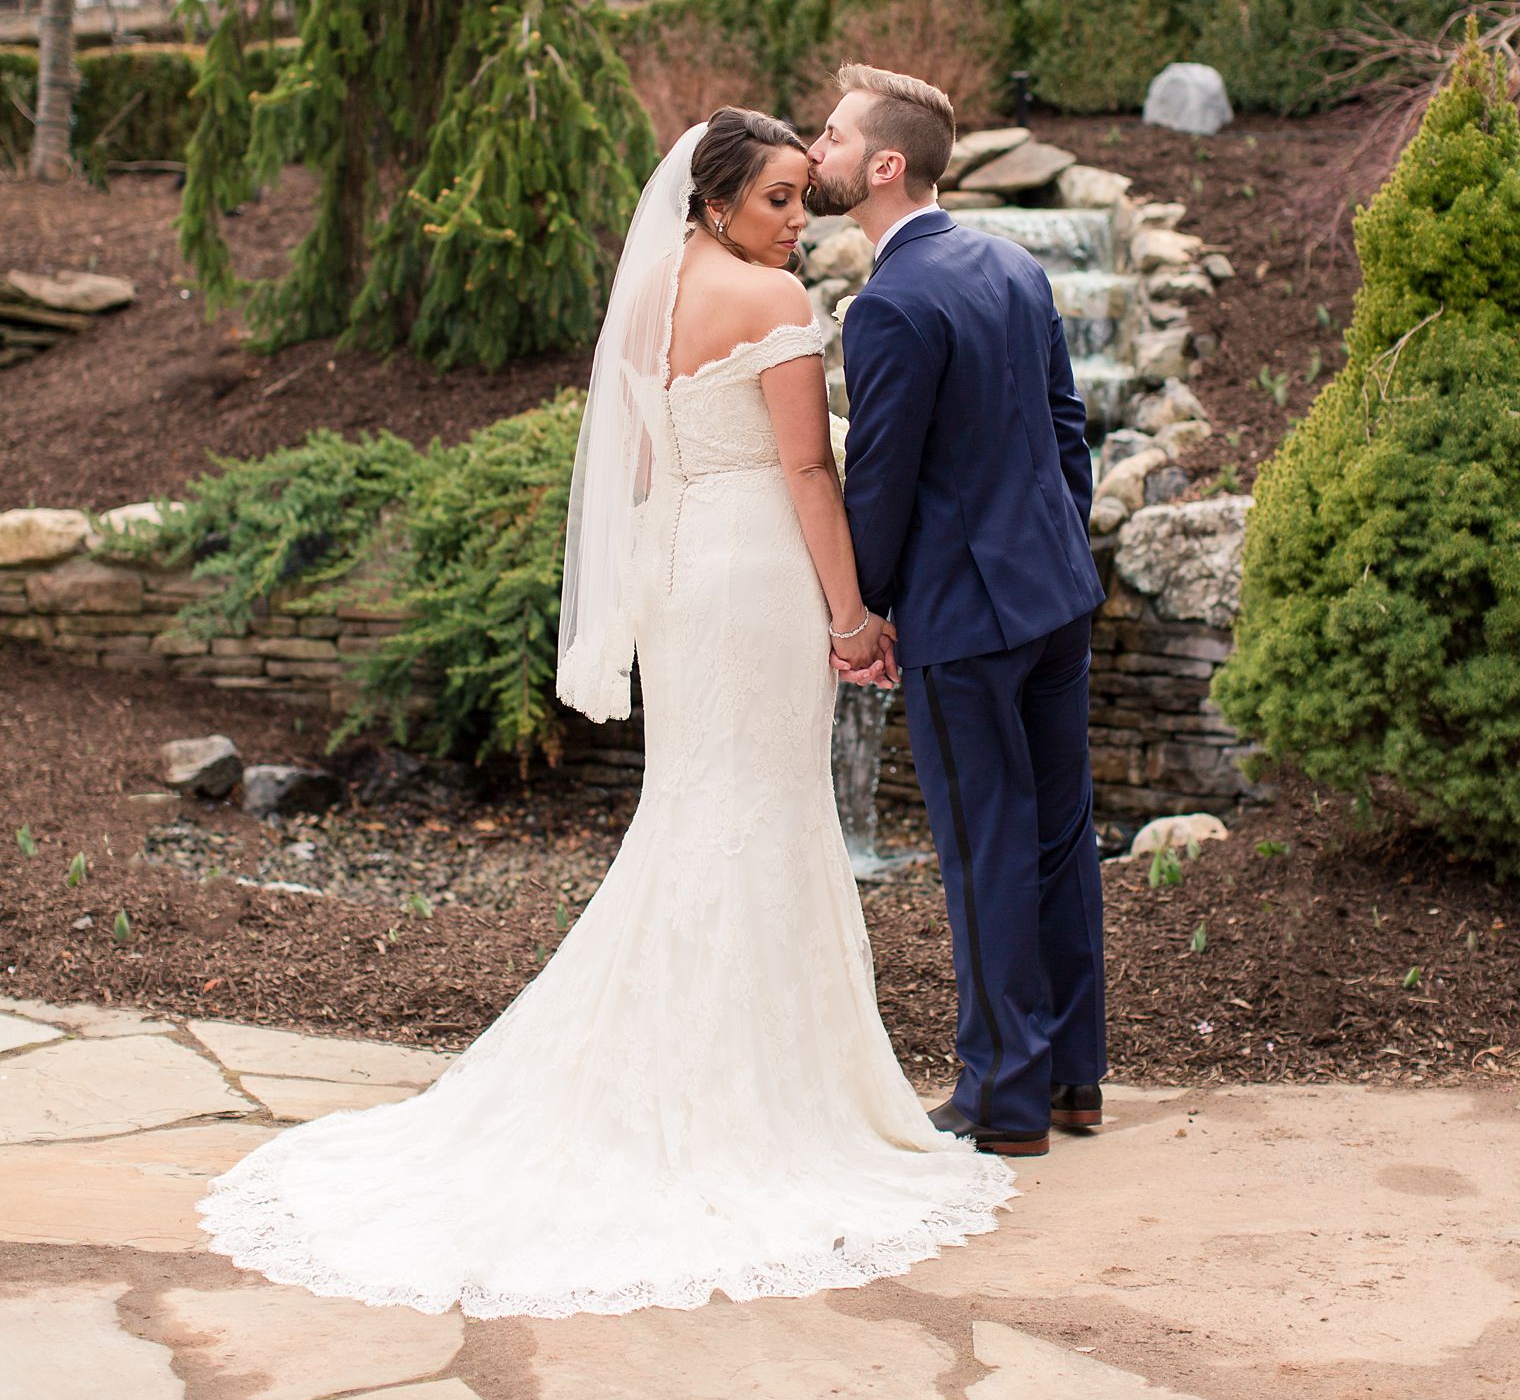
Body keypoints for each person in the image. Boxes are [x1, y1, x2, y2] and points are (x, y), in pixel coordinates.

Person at [196, 107, 1013, 1319]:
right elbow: (802, 471)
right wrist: (851, 620)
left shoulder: (654, 294)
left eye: (804, 198)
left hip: (679, 576)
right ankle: (753, 1104)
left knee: (696, 809)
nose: (798, 223)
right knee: (759, 812)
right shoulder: (776, 308)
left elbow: (644, 463)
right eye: (777, 201)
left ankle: (663, 1072)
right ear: (715, 198)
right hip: (754, 578)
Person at [808, 65, 1108, 1157]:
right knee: (1055, 842)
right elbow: (1065, 426)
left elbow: (876, 480)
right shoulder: (1009, 262)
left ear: (885, 166)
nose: (816, 152)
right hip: (1052, 597)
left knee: (984, 849)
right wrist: (1054, 545)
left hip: (962, 620)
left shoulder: (887, 303)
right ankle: (1073, 1082)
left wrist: (866, 610)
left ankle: (1001, 1098)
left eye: (832, 138)